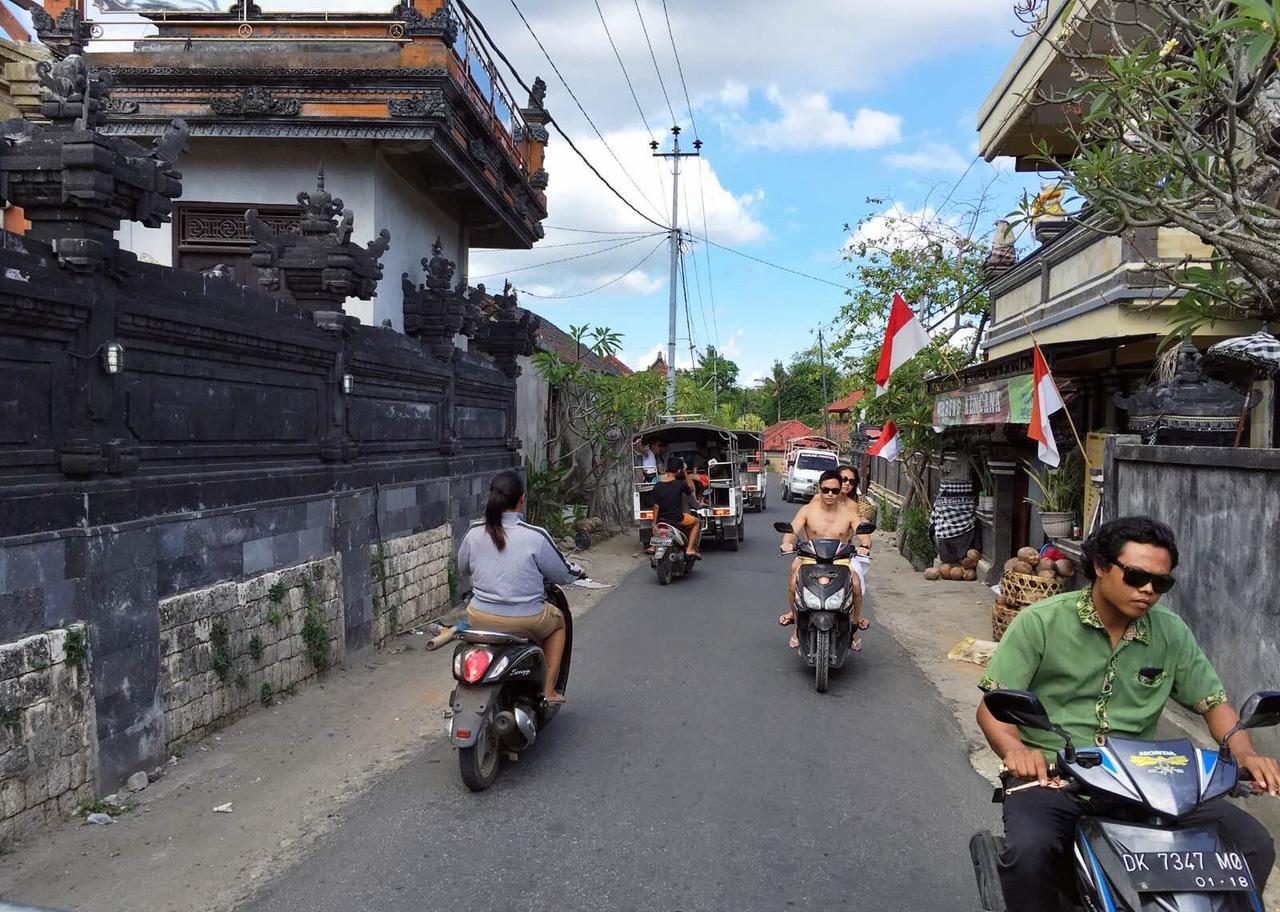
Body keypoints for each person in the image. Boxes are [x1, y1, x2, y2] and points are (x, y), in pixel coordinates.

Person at [977, 516, 1279, 908]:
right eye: (1137, 576)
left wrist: (1246, 754)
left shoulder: (1171, 632)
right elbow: (993, 706)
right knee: (1030, 853)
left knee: (1252, 844)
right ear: (1101, 566)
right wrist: (1016, 750)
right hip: (1053, 777)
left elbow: (1214, 704)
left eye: (1161, 583)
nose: (1149, 590)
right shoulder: (1041, 621)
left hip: (1143, 782)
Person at [457, 470, 583, 704]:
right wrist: (579, 572)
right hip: (526, 619)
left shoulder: (474, 532)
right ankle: (548, 690)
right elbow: (562, 573)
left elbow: (462, 568)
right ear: (521, 500)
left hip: (480, 616)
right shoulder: (535, 536)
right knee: (558, 624)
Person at [777, 469, 867, 650]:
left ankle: (855, 624)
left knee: (856, 584)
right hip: (810, 557)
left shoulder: (849, 512)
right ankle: (796, 621)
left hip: (840, 559)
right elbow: (792, 530)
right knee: (794, 580)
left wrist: (864, 544)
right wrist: (787, 543)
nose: (830, 494)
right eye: (826, 490)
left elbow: (863, 535)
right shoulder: (807, 510)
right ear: (819, 489)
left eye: (834, 490)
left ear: (840, 490)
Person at [651, 455, 701, 559]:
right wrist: (685, 472)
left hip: (661, 519)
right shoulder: (680, 484)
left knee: (657, 529)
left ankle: (653, 547)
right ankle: (690, 549)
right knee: (696, 522)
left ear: (667, 469)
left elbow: (656, 507)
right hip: (678, 518)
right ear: (679, 471)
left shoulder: (657, 486)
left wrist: (654, 524)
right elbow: (691, 489)